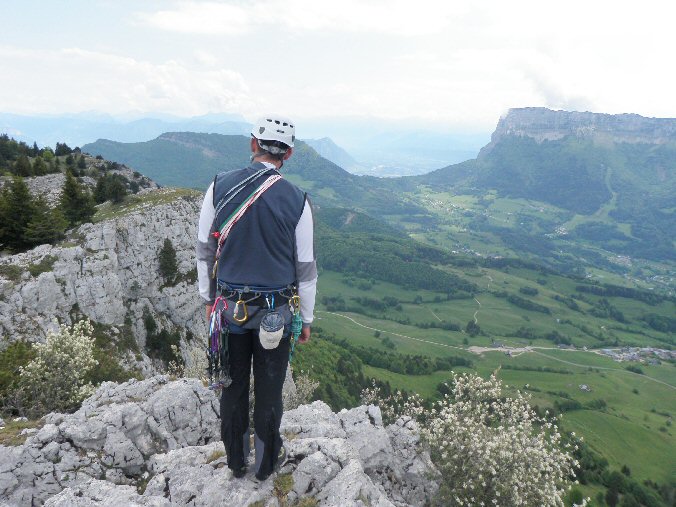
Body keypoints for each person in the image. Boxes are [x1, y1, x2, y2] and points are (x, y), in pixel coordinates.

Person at [196, 115, 316, 481]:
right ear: (289, 154)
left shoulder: (218, 187)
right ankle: (264, 466)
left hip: (229, 311)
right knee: (269, 392)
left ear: (253, 145)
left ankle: (235, 461)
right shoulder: (298, 201)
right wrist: (306, 319)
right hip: (275, 316)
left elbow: (205, 251)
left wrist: (208, 299)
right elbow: (306, 270)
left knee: (231, 390)